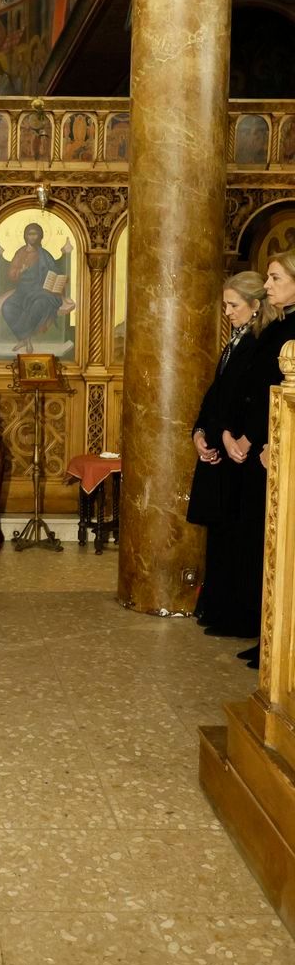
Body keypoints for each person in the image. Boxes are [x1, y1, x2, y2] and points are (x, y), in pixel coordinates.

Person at [186, 273, 274, 634]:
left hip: (240, 453)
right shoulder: (235, 340)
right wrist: (201, 432)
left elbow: (249, 399)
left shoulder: (259, 344)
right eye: (225, 304)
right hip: (222, 446)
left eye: (233, 305)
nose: (227, 312)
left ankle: (237, 615)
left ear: (255, 307)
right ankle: (218, 610)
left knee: (240, 537)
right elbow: (217, 393)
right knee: (221, 532)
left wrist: (229, 434)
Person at [223, 250, 295, 667]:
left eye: (274, 278)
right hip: (265, 445)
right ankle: (268, 636)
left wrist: (261, 439)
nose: (267, 286)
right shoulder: (277, 327)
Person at [0, 223, 74, 352]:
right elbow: (11, 274)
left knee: (38, 306)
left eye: (35, 234)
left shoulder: (44, 255)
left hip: (41, 290)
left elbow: (54, 270)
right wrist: (20, 271)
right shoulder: (20, 253)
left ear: (40, 236)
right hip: (22, 291)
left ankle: (25, 339)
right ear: (25, 236)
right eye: (30, 234)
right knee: (7, 307)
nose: (33, 237)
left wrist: (61, 278)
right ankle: (26, 339)